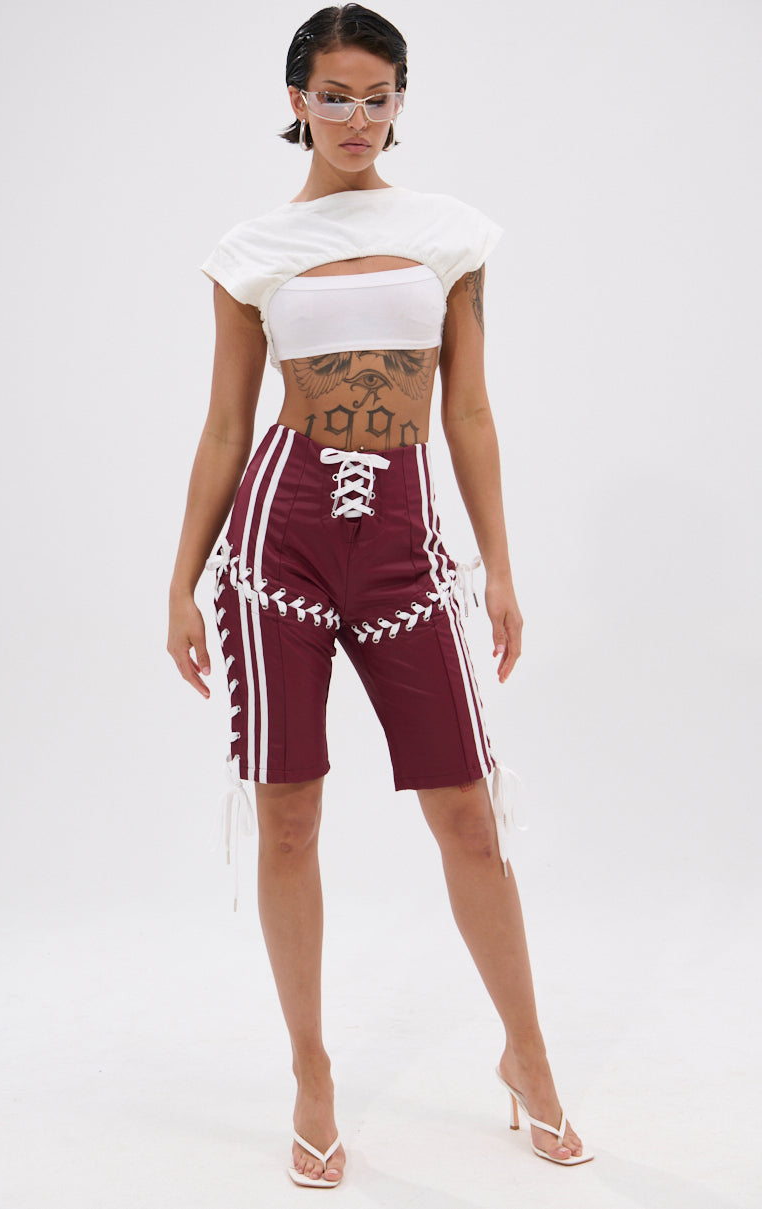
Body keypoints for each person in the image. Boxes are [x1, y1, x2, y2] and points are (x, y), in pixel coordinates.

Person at [167, 2, 593, 1188]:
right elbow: (224, 426)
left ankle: (527, 1056)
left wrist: (497, 564)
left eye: (376, 96)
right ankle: (310, 1070)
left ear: (400, 101)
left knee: (465, 810)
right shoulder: (252, 249)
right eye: (333, 95)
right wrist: (181, 581)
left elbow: (468, 409)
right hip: (280, 542)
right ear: (296, 100)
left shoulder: (448, 235)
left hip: (405, 542)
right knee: (288, 811)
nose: (356, 118)